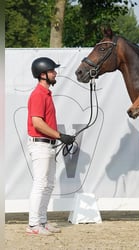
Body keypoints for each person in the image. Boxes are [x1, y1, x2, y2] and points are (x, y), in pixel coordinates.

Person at [26, 57, 75, 236]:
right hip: (40, 144)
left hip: (48, 145)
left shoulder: (45, 94)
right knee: (40, 184)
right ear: (43, 74)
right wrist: (60, 135)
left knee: (48, 185)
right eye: (52, 71)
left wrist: (58, 138)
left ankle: (42, 221)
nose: (56, 73)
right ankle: (33, 225)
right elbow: (37, 123)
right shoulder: (38, 94)